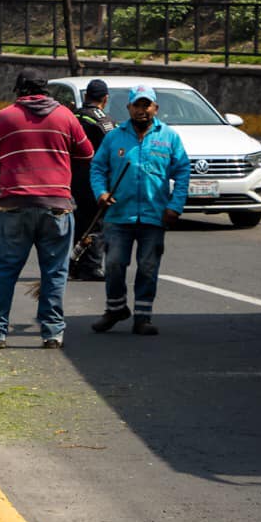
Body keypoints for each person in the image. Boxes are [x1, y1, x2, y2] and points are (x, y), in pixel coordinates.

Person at [0, 66, 94, 349]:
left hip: (14, 204)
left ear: (19, 91)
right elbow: (87, 152)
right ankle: (53, 333)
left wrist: (4, 185)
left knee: (5, 272)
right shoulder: (65, 116)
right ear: (46, 90)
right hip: (57, 206)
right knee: (54, 273)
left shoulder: (5, 117)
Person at [89, 85, 191, 336]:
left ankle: (143, 317)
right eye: (137, 105)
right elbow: (98, 168)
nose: (142, 110)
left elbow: (183, 172)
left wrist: (175, 206)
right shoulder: (114, 137)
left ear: (155, 108)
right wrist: (101, 193)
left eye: (147, 105)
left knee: (147, 267)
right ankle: (115, 309)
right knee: (113, 264)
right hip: (118, 215)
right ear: (129, 108)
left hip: (154, 215)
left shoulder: (169, 137)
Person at [69, 79, 115, 281]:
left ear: (86, 95)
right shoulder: (102, 119)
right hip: (94, 177)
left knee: (79, 222)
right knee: (96, 222)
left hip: (71, 176)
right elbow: (113, 146)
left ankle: (75, 264)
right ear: (105, 99)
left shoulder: (72, 115)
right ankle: (92, 266)